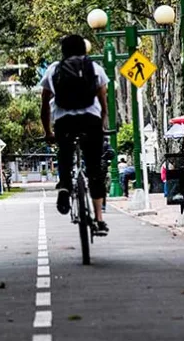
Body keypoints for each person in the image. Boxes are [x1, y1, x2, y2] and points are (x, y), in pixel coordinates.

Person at [40, 34, 110, 234]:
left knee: (65, 154)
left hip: (65, 122)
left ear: (63, 51)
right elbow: (103, 102)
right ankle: (98, 220)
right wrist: (102, 124)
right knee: (95, 169)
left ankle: (64, 185)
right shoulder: (94, 68)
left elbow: (45, 105)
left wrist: (48, 131)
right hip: (91, 121)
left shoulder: (53, 70)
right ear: (84, 50)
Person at [101, 137, 115, 212]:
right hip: (102, 165)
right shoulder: (105, 144)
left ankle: (101, 205)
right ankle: (102, 206)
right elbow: (112, 153)